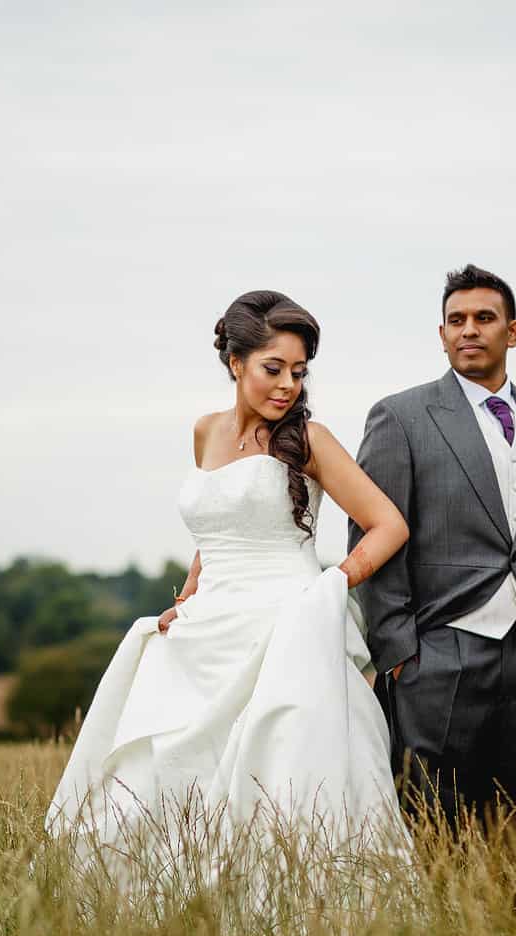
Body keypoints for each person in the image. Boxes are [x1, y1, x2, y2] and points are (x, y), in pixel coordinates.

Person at [45, 290, 411, 904]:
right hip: (207, 632)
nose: (288, 385)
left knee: (282, 780)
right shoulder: (205, 432)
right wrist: (187, 595)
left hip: (285, 631)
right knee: (160, 776)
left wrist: (332, 585)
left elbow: (389, 524)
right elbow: (213, 529)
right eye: (274, 368)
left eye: (299, 372)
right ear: (235, 362)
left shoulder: (311, 440)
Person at [348, 265, 516, 839]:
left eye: (484, 318)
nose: (469, 330)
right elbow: (368, 539)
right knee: (432, 828)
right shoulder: (400, 417)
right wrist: (400, 654)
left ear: (513, 331)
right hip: (436, 657)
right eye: (456, 320)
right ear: (441, 335)